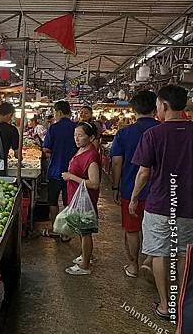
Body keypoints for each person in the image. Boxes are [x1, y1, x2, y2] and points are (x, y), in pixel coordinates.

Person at [130, 85, 193, 321]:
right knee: (183, 254)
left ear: (164, 105)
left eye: (157, 104)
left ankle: (166, 305)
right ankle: (181, 304)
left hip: (159, 205)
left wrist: (135, 196)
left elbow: (144, 173)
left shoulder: (153, 134)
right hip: (188, 206)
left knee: (160, 253)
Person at [110, 90, 160, 279]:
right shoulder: (162, 130)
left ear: (133, 109)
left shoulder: (124, 133)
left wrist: (115, 186)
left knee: (132, 229)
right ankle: (151, 264)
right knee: (154, 230)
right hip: (159, 191)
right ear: (156, 107)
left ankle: (134, 266)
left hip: (131, 189)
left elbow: (116, 162)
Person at [61, 122, 101, 275]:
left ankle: (85, 265)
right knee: (80, 229)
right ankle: (85, 256)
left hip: (85, 200)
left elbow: (94, 183)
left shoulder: (91, 156)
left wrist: (71, 176)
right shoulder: (82, 150)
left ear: (90, 137)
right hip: (76, 197)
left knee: (85, 232)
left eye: (80, 135)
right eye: (75, 135)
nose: (76, 138)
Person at [41, 101, 78, 238]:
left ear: (60, 112)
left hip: (55, 171)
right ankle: (67, 233)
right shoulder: (77, 128)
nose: (55, 116)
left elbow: (46, 149)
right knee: (69, 203)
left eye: (55, 113)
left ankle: (56, 229)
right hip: (73, 173)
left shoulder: (54, 128)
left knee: (53, 201)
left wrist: (54, 153)